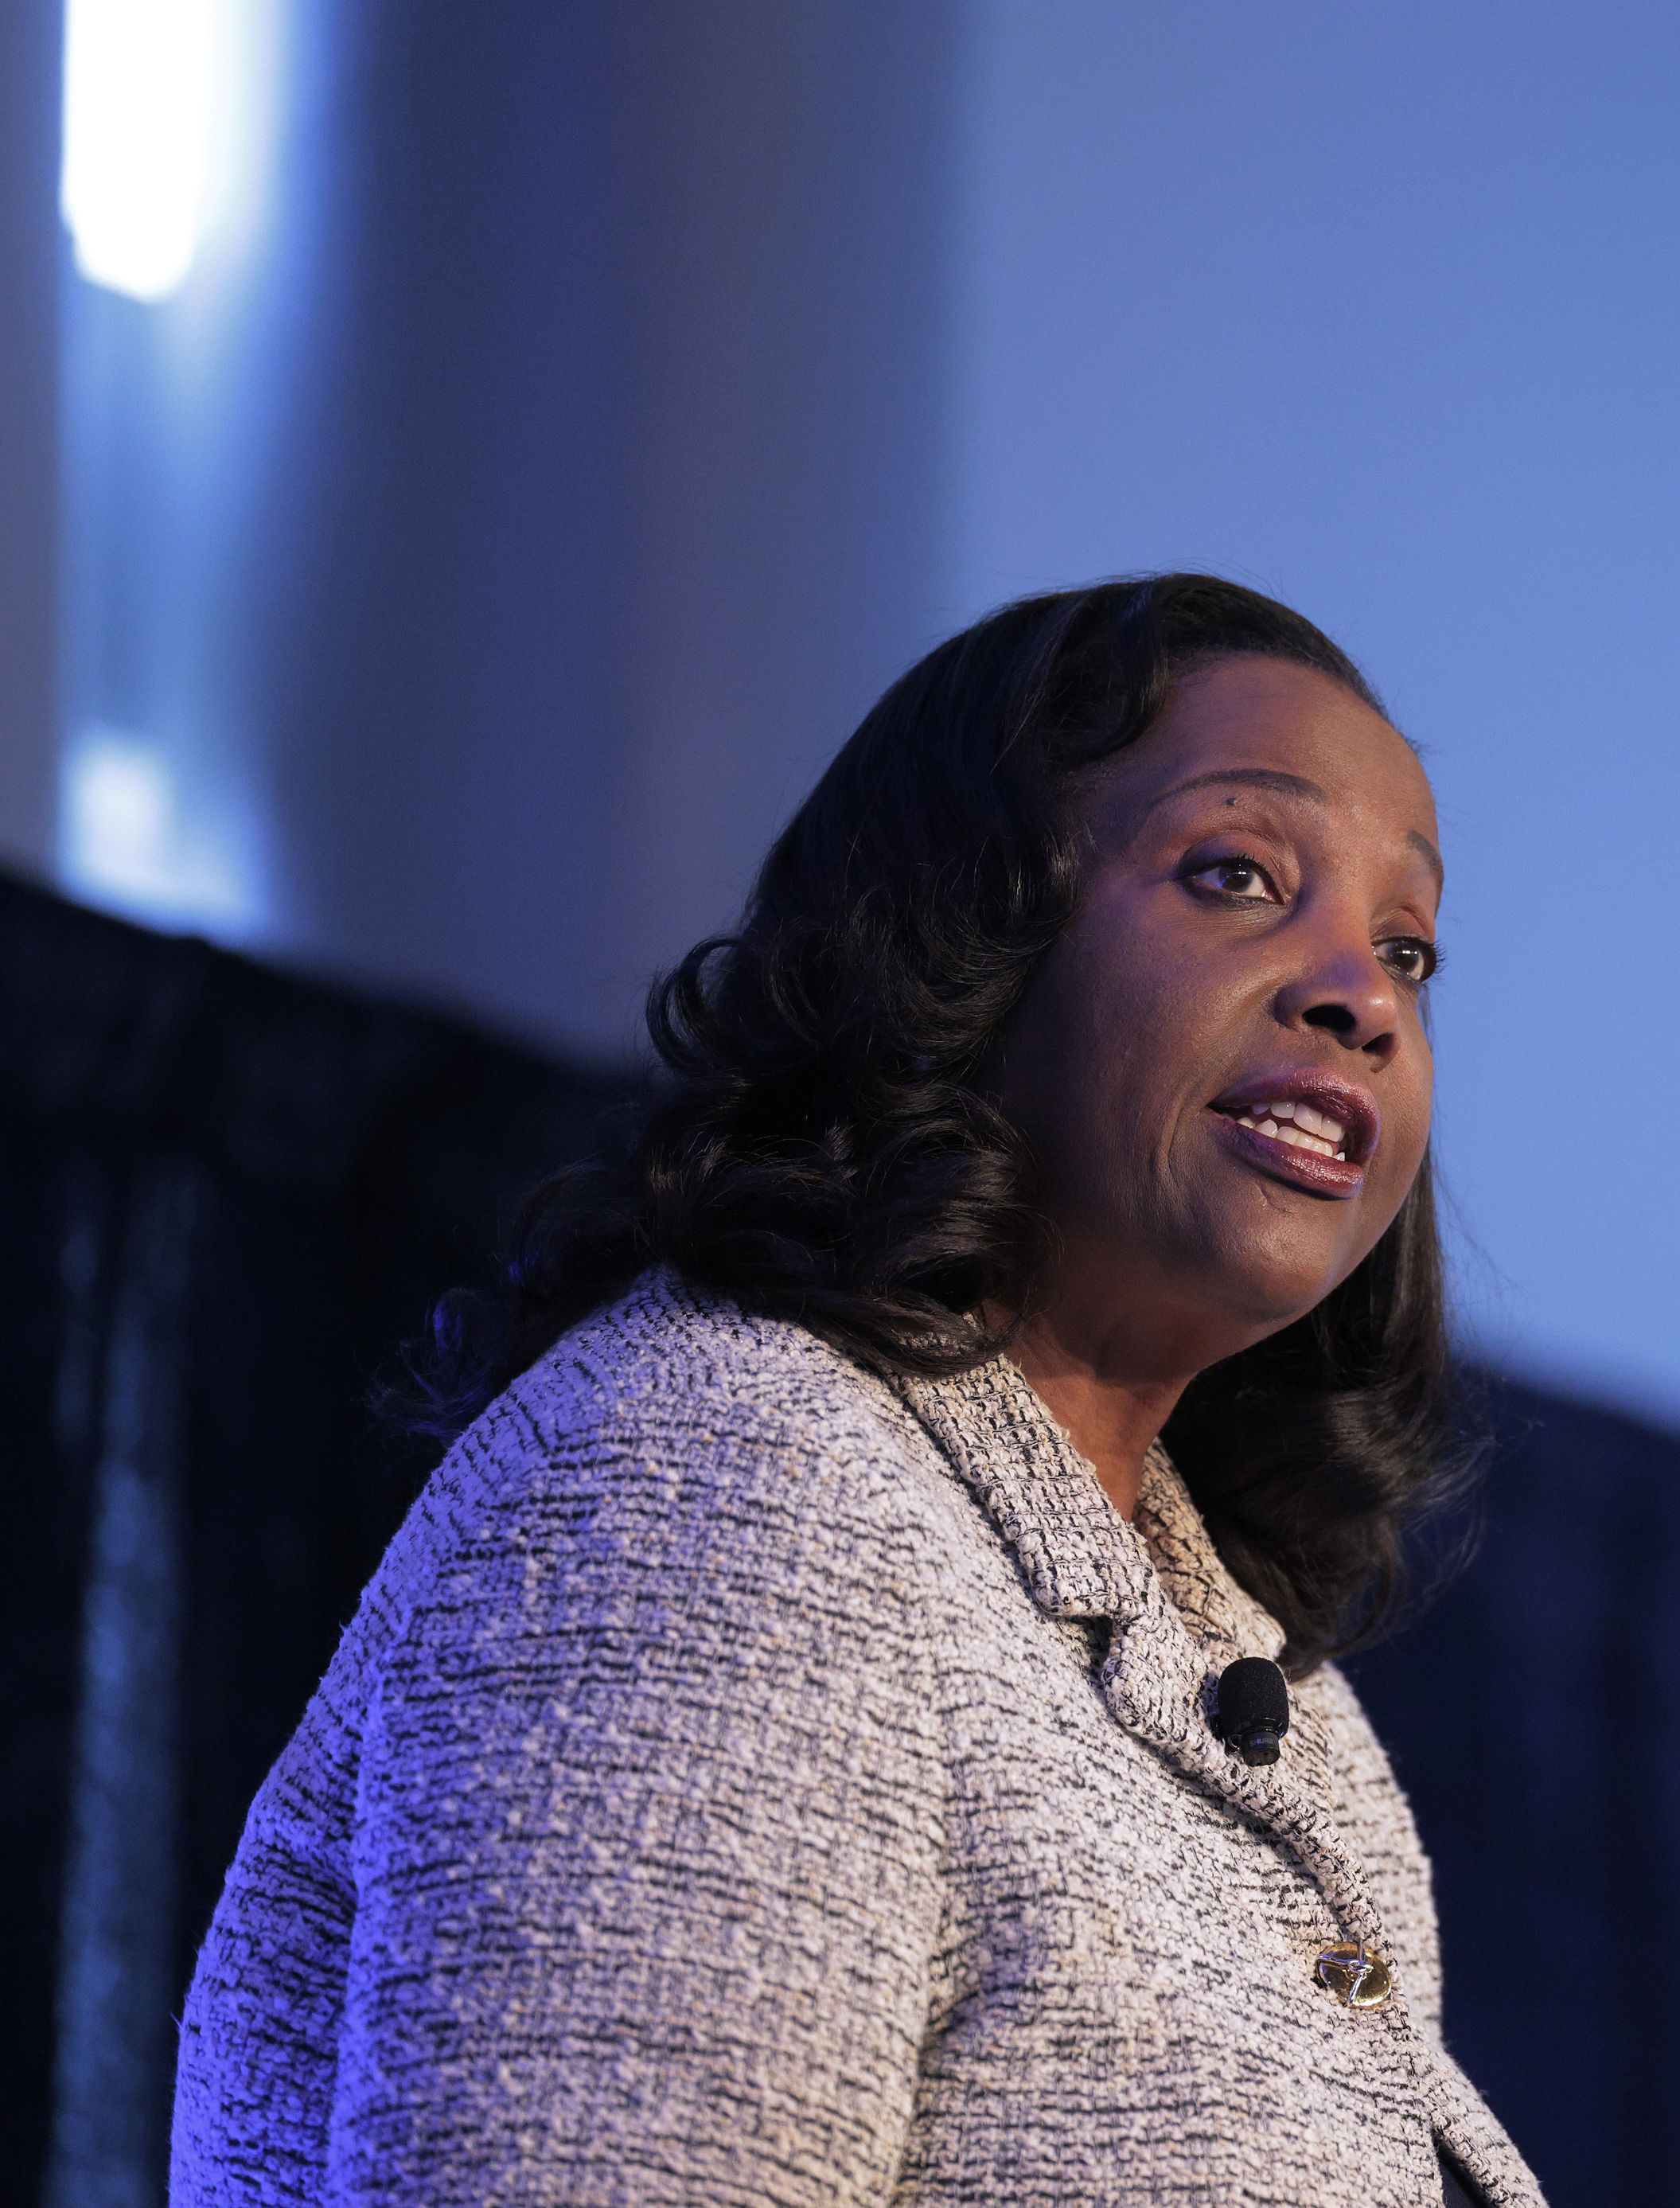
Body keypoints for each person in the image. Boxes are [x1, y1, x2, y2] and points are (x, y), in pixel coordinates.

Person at [168, 576, 1539, 2207]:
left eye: (1406, 945)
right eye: (1234, 873)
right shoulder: (716, 1481)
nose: (1361, 996)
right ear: (967, 931)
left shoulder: (1266, 1692)